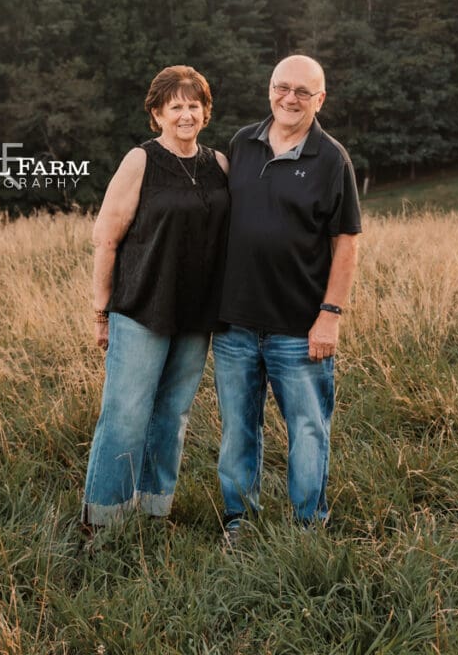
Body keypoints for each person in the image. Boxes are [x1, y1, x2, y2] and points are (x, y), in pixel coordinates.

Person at [213, 54, 361, 538]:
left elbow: (346, 243)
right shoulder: (242, 143)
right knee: (239, 429)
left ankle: (307, 527)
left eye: (302, 91)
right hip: (235, 324)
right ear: (269, 89)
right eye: (282, 87)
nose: (290, 98)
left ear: (320, 99)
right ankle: (240, 521)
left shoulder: (332, 159)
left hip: (299, 328)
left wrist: (330, 314)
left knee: (308, 430)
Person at [82, 65, 229, 528]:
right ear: (157, 114)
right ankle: (103, 521)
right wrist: (101, 311)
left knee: (172, 416)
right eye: (176, 107)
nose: (186, 114)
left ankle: (152, 511)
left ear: (206, 112)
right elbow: (106, 238)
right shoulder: (140, 161)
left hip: (195, 313)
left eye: (194, 105)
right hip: (141, 307)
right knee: (126, 414)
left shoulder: (220, 164)